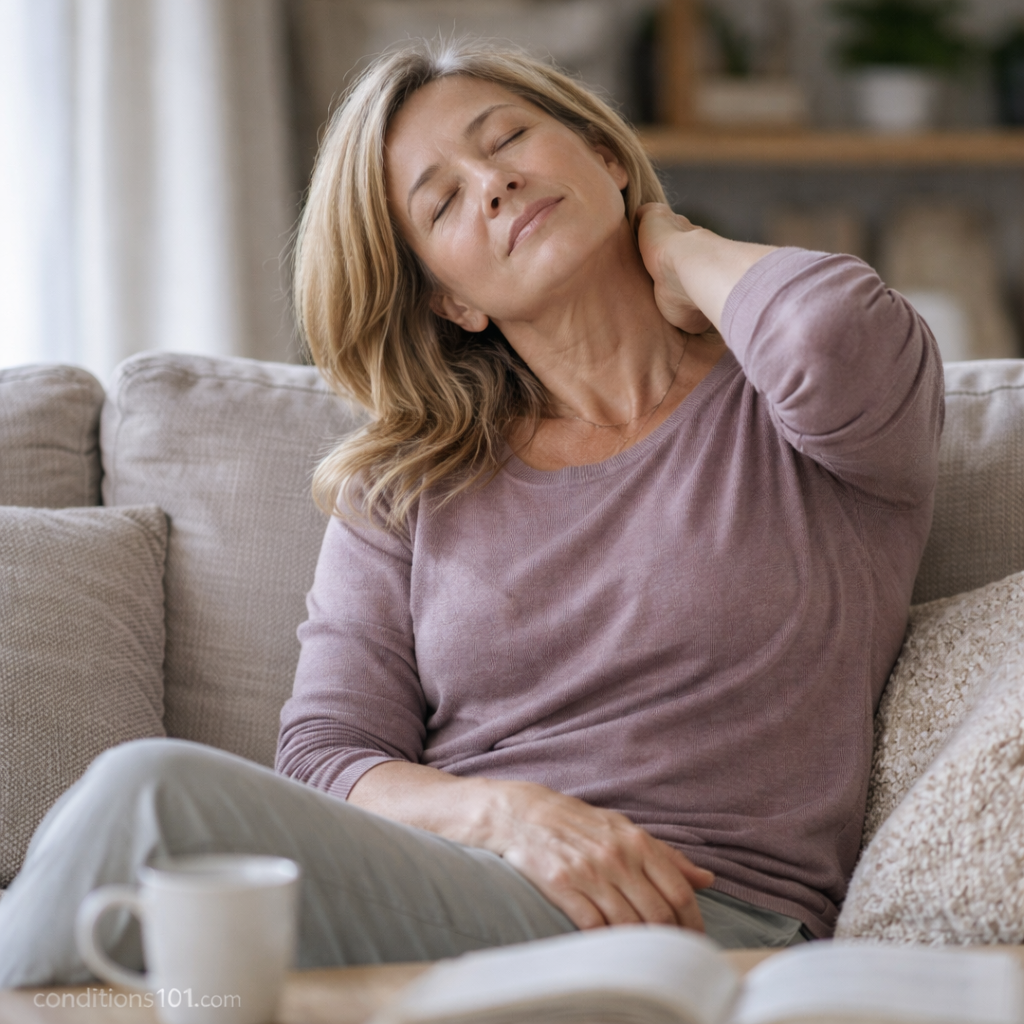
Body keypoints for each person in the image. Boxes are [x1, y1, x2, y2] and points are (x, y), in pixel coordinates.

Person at [0, 38, 943, 987]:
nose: (491, 184)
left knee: (147, 796)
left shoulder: (800, 413)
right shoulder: (408, 480)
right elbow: (328, 755)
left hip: (706, 920)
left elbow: (835, 330)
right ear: (451, 300)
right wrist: (512, 817)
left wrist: (677, 244)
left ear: (605, 155)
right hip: (460, 884)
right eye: (442, 201)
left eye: (509, 140)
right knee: (150, 864)